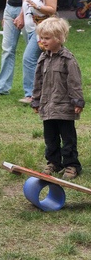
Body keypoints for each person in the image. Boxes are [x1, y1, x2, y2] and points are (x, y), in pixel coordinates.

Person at [31, 18, 84, 180]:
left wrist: (77, 100)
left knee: (68, 138)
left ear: (59, 38)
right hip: (48, 106)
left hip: (64, 106)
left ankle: (71, 165)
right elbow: (38, 80)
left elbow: (75, 82)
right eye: (41, 37)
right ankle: (54, 162)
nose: (42, 41)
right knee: (50, 137)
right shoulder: (43, 58)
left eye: (47, 38)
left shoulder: (68, 59)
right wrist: (36, 100)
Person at [20, 0, 57, 104]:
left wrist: (38, 7)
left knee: (28, 59)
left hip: (41, 32)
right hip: (30, 31)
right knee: (44, 62)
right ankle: (45, 92)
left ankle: (31, 95)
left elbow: (52, 9)